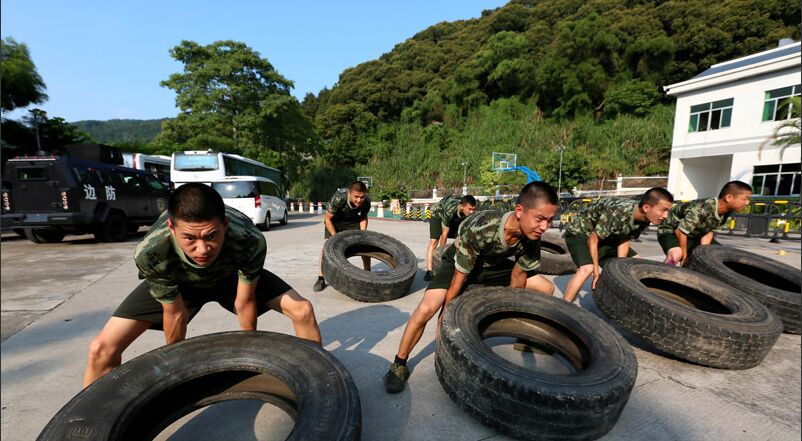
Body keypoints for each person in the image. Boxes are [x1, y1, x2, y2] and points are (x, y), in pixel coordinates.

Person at [83, 183, 321, 387]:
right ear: (171, 228)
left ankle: (320, 382)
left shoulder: (249, 240)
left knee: (303, 310)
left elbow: (244, 301)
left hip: (229, 276)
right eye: (190, 238)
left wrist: (251, 357)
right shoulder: (152, 252)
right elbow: (175, 314)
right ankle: (85, 422)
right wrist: (176, 374)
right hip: (178, 281)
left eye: (211, 236)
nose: (202, 249)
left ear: (225, 225)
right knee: (101, 350)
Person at [383, 181, 559, 393]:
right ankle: (399, 364)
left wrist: (512, 313)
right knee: (427, 308)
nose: (545, 227)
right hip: (459, 263)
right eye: (540, 219)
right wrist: (444, 316)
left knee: (546, 289)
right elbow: (460, 276)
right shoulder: (482, 227)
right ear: (520, 211)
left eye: (550, 220)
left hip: (494, 265)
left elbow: (518, 274)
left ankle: (523, 339)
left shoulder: (532, 237)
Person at [561, 188, 674, 303]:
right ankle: (563, 305)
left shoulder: (645, 218)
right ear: (646, 207)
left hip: (605, 236)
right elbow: (593, 240)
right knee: (587, 268)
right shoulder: (619, 212)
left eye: (668, 211)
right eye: (663, 210)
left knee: (635, 263)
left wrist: (620, 267)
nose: (665, 215)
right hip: (580, 232)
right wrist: (596, 273)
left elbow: (624, 237)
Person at [658, 181, 752, 266]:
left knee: (719, 254)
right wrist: (684, 258)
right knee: (676, 255)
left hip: (693, 235)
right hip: (670, 230)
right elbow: (680, 232)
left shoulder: (727, 211)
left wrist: (703, 253)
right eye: (745, 199)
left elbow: (708, 232)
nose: (747, 202)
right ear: (729, 197)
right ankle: (658, 277)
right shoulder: (702, 208)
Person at [313, 181, 371, 292]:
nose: (359, 200)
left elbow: (363, 218)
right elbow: (328, 218)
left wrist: (363, 234)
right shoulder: (339, 198)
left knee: (365, 246)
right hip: (335, 221)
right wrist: (335, 237)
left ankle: (368, 274)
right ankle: (321, 278)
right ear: (349, 193)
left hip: (352, 221)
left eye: (362, 197)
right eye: (356, 197)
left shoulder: (366, 201)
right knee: (327, 246)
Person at [424, 194, 478, 281]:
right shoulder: (450, 209)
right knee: (434, 241)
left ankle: (459, 266)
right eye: (470, 209)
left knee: (462, 237)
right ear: (462, 207)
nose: (472, 212)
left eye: (474, 209)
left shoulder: (469, 212)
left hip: (454, 217)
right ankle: (429, 271)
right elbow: (444, 234)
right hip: (438, 214)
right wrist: (442, 255)